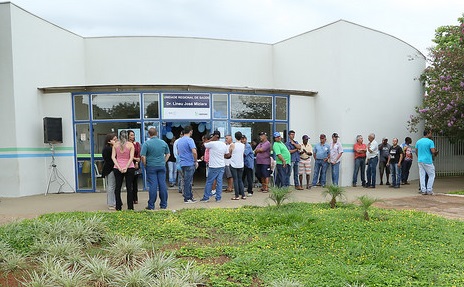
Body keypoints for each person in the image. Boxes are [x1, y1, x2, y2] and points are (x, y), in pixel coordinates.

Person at [141, 127, 170, 210]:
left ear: (149, 134)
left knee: (153, 185)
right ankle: (163, 204)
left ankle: (151, 205)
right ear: (156, 133)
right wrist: (164, 162)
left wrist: (145, 164)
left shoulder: (147, 144)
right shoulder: (163, 142)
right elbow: (168, 154)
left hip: (151, 166)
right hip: (161, 166)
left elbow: (143, 156)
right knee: (162, 184)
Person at [200, 130, 229, 203]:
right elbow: (226, 155)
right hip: (221, 165)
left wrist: (211, 139)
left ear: (214, 136)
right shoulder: (223, 144)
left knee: (209, 182)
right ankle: (218, 198)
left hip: (213, 166)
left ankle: (206, 197)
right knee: (219, 182)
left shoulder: (212, 143)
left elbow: (204, 144)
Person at [111, 130, 135, 211]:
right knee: (129, 187)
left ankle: (118, 207)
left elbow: (113, 157)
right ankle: (130, 207)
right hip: (129, 167)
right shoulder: (130, 145)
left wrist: (118, 166)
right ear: (127, 136)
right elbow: (131, 157)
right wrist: (126, 167)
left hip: (117, 168)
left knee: (117, 187)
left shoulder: (115, 145)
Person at [176, 126, 199, 203]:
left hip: (182, 163)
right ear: (191, 131)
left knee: (186, 180)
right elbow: (194, 152)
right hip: (189, 162)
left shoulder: (179, 141)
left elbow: (178, 152)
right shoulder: (190, 140)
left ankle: (189, 197)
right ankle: (187, 198)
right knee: (188, 181)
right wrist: (195, 161)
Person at [416, 129, 438, 195]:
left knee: (422, 175)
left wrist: (419, 157)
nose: (431, 135)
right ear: (427, 134)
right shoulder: (430, 142)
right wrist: (436, 152)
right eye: (430, 133)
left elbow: (416, 151)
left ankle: (423, 190)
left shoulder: (418, 141)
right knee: (432, 175)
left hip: (420, 160)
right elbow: (433, 151)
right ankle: (429, 189)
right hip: (428, 160)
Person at [101, 133, 117, 210]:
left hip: (113, 168)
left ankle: (113, 201)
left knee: (113, 186)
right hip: (110, 169)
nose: (116, 141)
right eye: (114, 139)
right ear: (109, 141)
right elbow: (110, 159)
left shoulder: (112, 148)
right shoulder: (107, 149)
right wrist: (114, 145)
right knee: (111, 186)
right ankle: (111, 203)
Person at [229, 131, 246, 200]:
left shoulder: (233, 145)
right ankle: (243, 195)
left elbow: (230, 152)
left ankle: (237, 195)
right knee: (240, 180)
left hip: (233, 164)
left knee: (235, 180)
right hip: (241, 164)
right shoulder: (243, 145)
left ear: (235, 137)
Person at [127, 130, 141, 204]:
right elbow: (127, 155)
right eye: (131, 135)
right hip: (128, 164)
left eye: (133, 135)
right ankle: (130, 198)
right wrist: (135, 159)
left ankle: (135, 198)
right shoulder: (126, 144)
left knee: (135, 183)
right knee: (130, 182)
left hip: (136, 165)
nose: (133, 136)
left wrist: (137, 161)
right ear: (128, 136)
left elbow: (139, 153)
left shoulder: (137, 144)